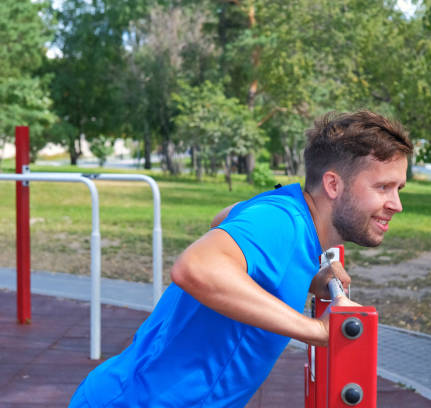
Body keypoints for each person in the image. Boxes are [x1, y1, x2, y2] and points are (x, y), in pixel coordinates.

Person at [68, 110, 413, 407]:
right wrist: (316, 330)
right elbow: (194, 267)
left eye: (399, 189)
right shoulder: (283, 222)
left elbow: (223, 217)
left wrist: (305, 274)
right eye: (383, 187)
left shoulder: (287, 210)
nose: (396, 204)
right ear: (333, 185)